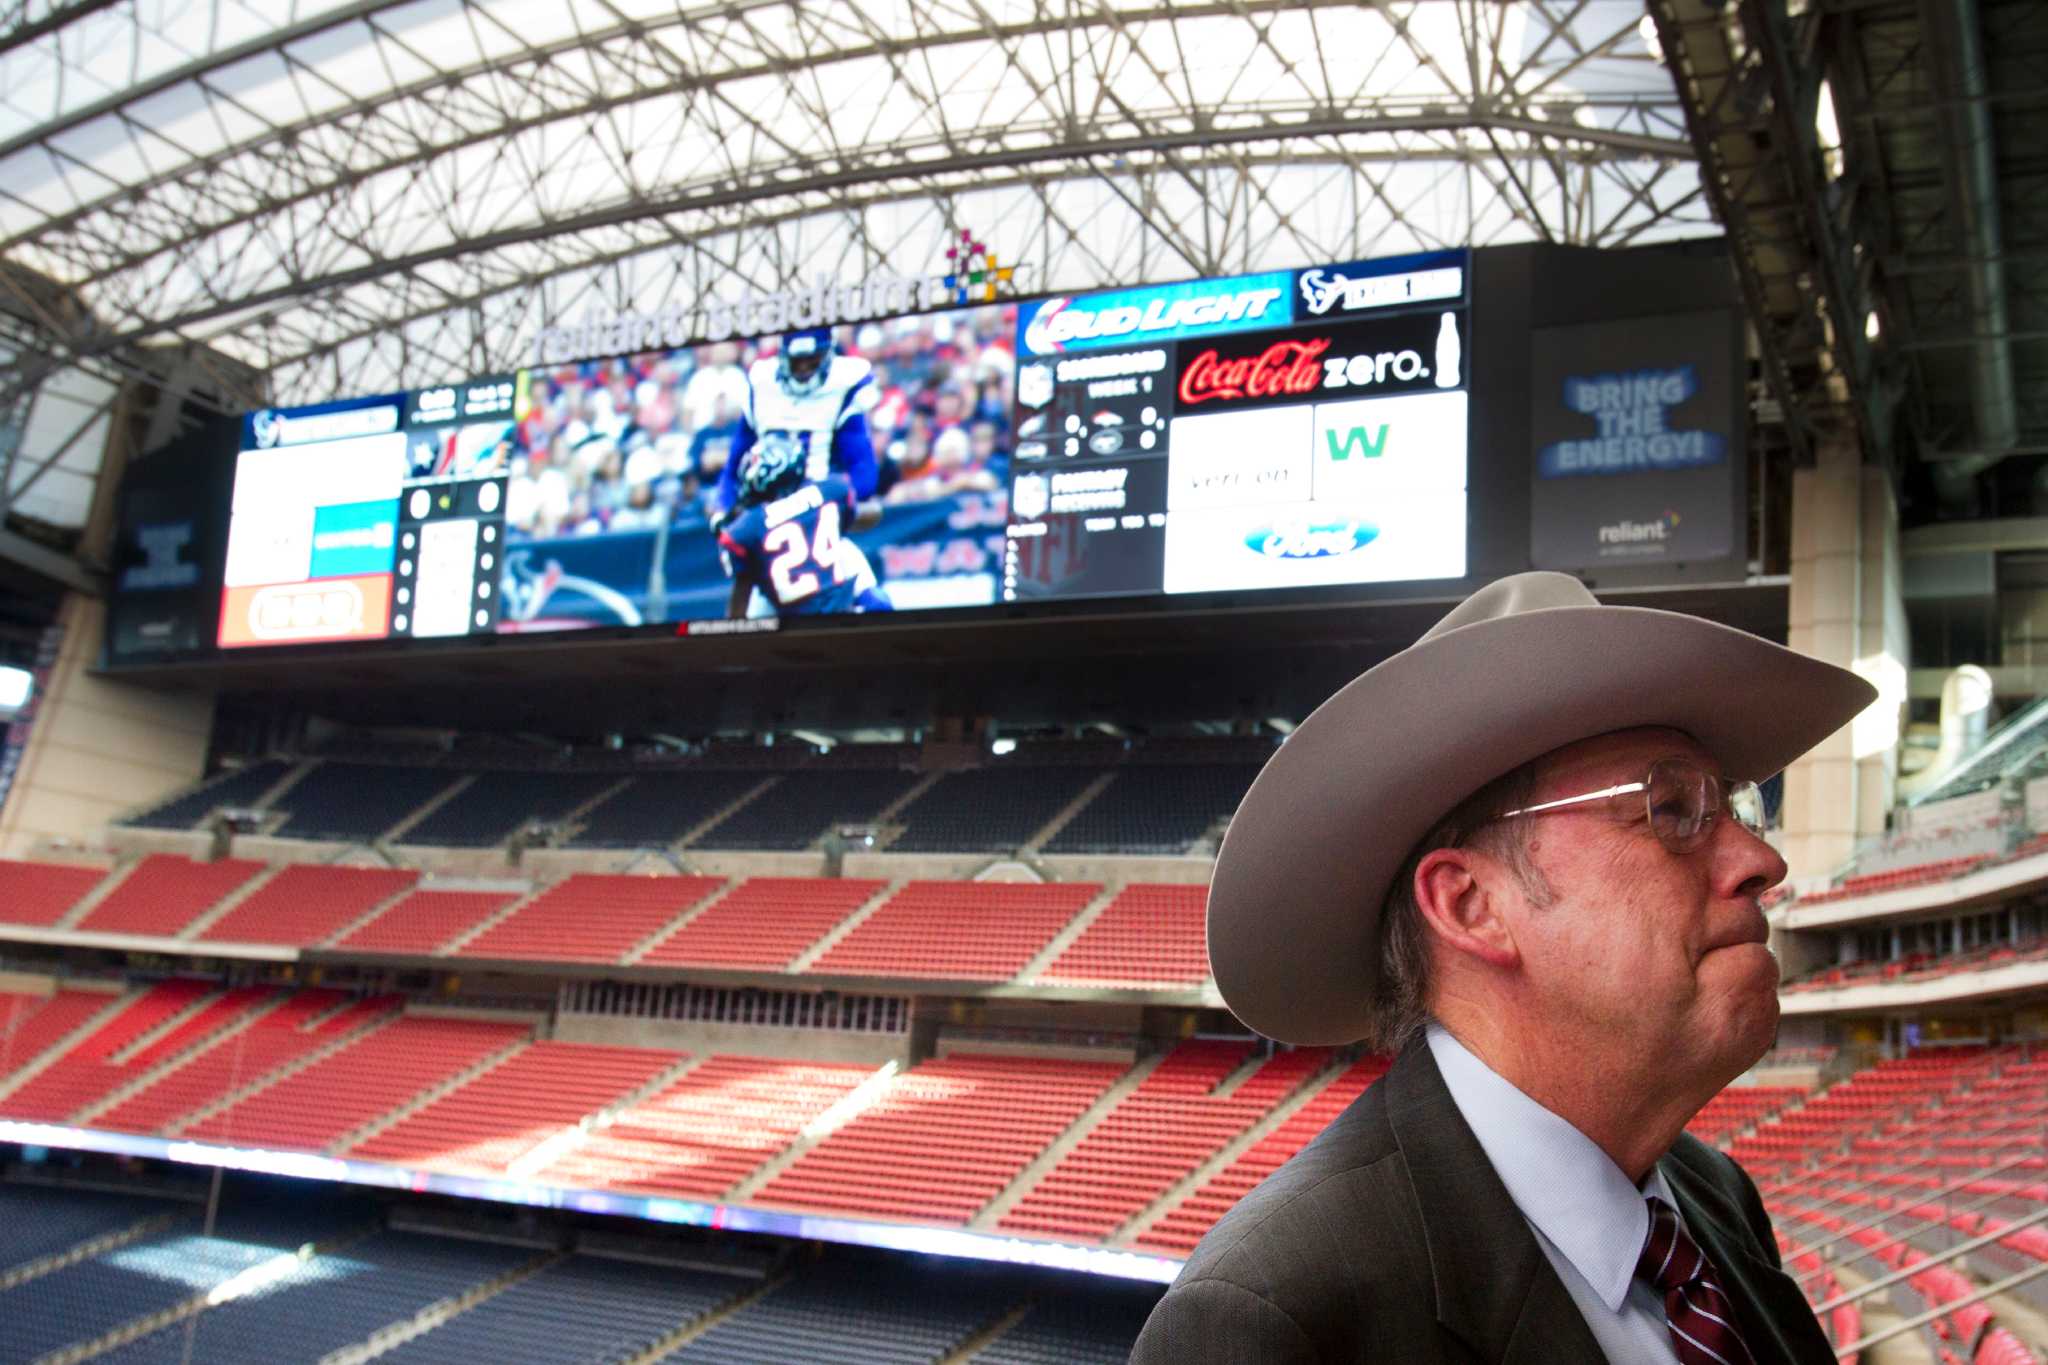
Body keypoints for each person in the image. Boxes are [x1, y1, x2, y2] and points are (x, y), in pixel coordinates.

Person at [1133, 571, 1875, 1365]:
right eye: (1670, 809)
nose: (1763, 860)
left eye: (1735, 810)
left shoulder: (1715, 1199)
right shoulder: (1271, 1319)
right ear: (1471, 905)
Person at [712, 326, 879, 524]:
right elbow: (734, 467)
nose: (804, 369)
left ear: (827, 356)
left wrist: (824, 501)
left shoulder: (845, 382)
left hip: (819, 512)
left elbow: (864, 473)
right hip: (763, 513)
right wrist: (724, 507)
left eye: (812, 361)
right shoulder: (762, 383)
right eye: (797, 362)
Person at [717, 432, 892, 619]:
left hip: (791, 621)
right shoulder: (831, 490)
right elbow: (871, 514)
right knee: (877, 601)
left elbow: (737, 611)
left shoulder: (746, 528)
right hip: (840, 608)